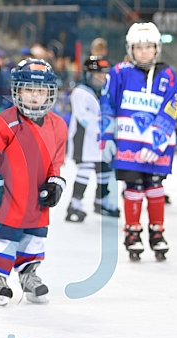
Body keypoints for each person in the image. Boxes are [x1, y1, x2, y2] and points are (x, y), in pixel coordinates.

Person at [0, 58, 67, 307]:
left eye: (41, 91)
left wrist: (55, 182)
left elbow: (56, 162)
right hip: (9, 197)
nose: (35, 97)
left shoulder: (58, 126)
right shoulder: (5, 121)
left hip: (37, 200)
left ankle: (28, 275)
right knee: (5, 238)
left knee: (34, 238)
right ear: (17, 90)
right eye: (29, 90)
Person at [100, 22, 177, 262]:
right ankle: (132, 232)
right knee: (133, 188)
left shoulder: (167, 74)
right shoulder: (118, 72)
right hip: (128, 145)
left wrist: (155, 142)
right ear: (130, 49)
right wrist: (105, 137)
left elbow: (171, 108)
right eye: (138, 47)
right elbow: (107, 105)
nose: (144, 52)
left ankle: (157, 231)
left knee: (155, 186)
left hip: (158, 147)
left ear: (157, 49)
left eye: (148, 47)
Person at [65, 56, 118, 223]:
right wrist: (104, 126)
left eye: (104, 75)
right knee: (85, 169)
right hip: (84, 139)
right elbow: (83, 117)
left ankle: (101, 201)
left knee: (105, 169)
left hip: (102, 140)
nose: (101, 78)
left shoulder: (106, 92)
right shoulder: (80, 92)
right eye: (97, 74)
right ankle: (75, 203)